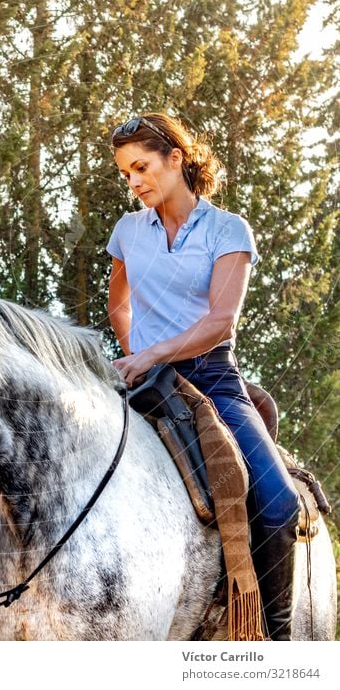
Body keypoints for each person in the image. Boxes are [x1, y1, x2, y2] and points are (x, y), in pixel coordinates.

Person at [106, 112, 300, 641]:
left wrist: (153, 353)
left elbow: (221, 321)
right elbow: (118, 304)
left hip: (212, 379)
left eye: (142, 166)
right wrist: (135, 354)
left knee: (280, 505)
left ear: (177, 159)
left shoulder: (227, 229)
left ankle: (276, 643)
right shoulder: (127, 231)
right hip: (141, 384)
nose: (135, 181)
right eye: (126, 174)